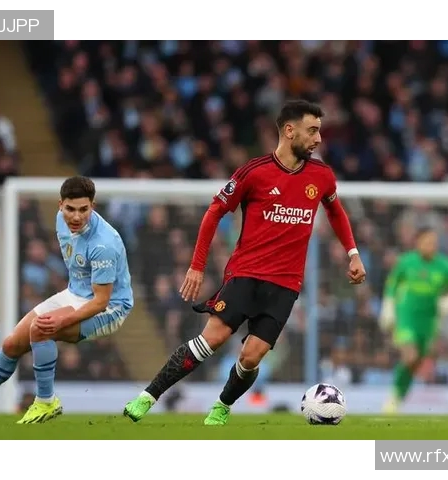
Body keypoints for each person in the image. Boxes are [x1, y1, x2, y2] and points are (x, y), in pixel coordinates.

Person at [123, 100, 366, 425]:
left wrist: (353, 253)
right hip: (246, 274)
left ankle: (223, 405)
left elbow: (335, 211)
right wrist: (197, 266)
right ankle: (148, 397)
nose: (318, 139)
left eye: (319, 131)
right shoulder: (255, 172)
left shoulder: (321, 176)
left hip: (285, 284)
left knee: (251, 357)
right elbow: (214, 212)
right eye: (312, 131)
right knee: (211, 340)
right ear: (289, 130)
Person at [0, 176, 134, 424]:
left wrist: (62, 321)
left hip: (110, 307)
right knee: (11, 344)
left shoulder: (104, 244)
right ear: (60, 205)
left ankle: (46, 401)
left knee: (41, 328)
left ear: (92, 207)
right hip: (75, 293)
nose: (76, 216)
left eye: (84, 210)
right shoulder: (60, 220)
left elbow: (100, 302)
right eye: (70, 209)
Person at [379, 227, 448, 413]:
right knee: (410, 355)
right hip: (406, 317)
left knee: (416, 362)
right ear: (418, 242)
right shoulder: (406, 262)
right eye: (427, 242)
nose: (430, 246)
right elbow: (391, 286)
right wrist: (388, 308)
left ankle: (398, 396)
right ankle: (394, 397)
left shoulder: (445, 265)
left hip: (429, 321)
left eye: (433, 242)